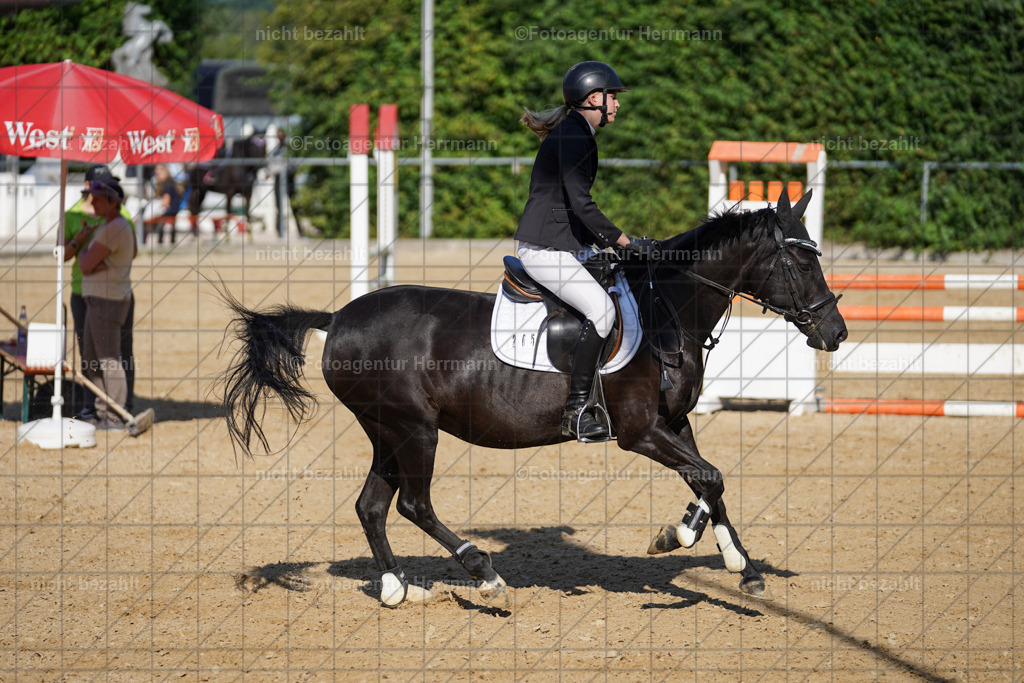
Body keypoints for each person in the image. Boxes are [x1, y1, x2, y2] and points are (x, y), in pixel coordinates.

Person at [514, 61, 656, 442]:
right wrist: (626, 242)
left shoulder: (576, 133)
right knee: (603, 310)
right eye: (614, 97)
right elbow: (581, 205)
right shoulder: (574, 137)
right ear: (595, 98)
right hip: (545, 250)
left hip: (561, 245)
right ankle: (576, 411)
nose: (618, 105)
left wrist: (601, 248)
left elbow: (571, 210)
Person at [64, 165, 137, 422]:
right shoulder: (110, 224)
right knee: (95, 356)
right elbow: (87, 263)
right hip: (99, 297)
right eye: (91, 196)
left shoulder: (113, 226)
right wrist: (93, 258)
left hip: (107, 299)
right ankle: (102, 411)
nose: (92, 202)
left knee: (108, 358)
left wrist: (87, 253)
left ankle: (115, 414)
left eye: (97, 198)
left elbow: (84, 264)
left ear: (111, 202)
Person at [144, 163, 182, 244]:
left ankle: (153, 242)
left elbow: (165, 202)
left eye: (160, 170)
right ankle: (167, 241)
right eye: (156, 171)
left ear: (165, 171)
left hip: (170, 210)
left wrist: (154, 213)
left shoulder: (167, 183)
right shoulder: (169, 182)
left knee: (146, 219)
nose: (157, 173)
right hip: (174, 209)